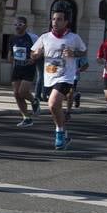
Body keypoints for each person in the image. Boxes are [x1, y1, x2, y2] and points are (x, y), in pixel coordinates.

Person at [30, 9, 87, 150]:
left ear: (66, 22)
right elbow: (33, 53)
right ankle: (63, 132)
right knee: (55, 108)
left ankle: (59, 135)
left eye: (59, 19)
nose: (55, 22)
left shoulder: (73, 38)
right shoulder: (45, 37)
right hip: (49, 77)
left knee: (53, 103)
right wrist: (35, 54)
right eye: (53, 19)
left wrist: (74, 53)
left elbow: (83, 51)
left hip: (66, 77)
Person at [8, 16, 39, 127]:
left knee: (22, 92)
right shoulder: (12, 38)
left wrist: (33, 58)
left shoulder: (33, 37)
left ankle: (34, 100)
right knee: (16, 94)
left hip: (28, 67)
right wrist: (10, 58)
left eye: (20, 24)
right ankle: (26, 118)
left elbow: (40, 50)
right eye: (15, 25)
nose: (17, 27)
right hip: (17, 67)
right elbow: (11, 53)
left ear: (25, 25)